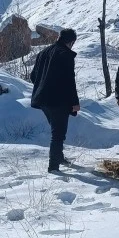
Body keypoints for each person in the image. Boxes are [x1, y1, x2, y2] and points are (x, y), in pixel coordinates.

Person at [30, 28, 80, 173]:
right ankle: (53, 167)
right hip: (59, 101)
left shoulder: (43, 52)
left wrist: (43, 87)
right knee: (58, 134)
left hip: (43, 99)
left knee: (56, 129)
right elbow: (69, 81)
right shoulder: (65, 55)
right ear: (71, 42)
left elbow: (33, 76)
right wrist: (75, 102)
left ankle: (58, 157)